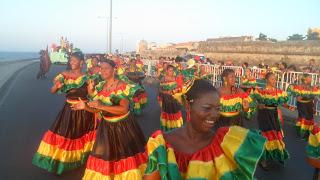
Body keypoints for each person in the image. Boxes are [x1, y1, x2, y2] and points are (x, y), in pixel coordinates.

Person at [144, 79, 266, 180]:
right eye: (207, 108)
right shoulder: (161, 145)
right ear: (188, 105)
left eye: (218, 108)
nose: (214, 115)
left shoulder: (224, 145)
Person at [72, 59, 147, 179]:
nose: (102, 71)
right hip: (106, 127)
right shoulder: (100, 86)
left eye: (106, 68)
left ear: (114, 70)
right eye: (101, 68)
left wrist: (101, 106)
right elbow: (98, 110)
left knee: (125, 159)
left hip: (123, 128)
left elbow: (123, 109)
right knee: (105, 158)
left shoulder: (122, 86)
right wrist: (85, 107)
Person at [32, 52, 96, 175]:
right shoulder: (64, 75)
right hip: (70, 110)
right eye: (70, 60)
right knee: (67, 135)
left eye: (74, 61)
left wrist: (92, 88)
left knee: (81, 135)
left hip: (84, 110)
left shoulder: (87, 77)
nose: (71, 63)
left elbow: (91, 94)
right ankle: (64, 162)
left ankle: (80, 159)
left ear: (81, 62)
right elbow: (52, 91)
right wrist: (57, 86)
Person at [250, 72, 292, 170]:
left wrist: (289, 107)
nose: (275, 81)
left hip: (274, 115)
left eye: (275, 79)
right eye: (273, 79)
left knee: (276, 136)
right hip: (264, 115)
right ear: (267, 80)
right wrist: (258, 105)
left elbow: (282, 103)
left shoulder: (278, 92)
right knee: (266, 137)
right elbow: (251, 101)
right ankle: (263, 161)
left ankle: (276, 155)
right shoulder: (260, 91)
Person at [287, 74, 320, 139]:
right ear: (305, 80)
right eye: (309, 78)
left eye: (311, 78)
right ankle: (303, 134)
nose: (311, 79)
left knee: (310, 118)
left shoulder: (312, 87)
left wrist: (314, 107)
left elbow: (314, 98)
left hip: (310, 104)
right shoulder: (299, 87)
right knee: (304, 118)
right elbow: (298, 98)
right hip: (302, 105)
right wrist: (304, 95)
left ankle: (308, 132)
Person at [158, 65, 184, 132]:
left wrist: (177, 90)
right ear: (166, 71)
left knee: (175, 112)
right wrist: (166, 92)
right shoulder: (163, 79)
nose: (171, 72)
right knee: (168, 112)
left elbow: (179, 87)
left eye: (172, 70)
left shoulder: (175, 78)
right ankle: (168, 129)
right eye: (170, 70)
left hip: (175, 99)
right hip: (166, 99)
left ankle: (176, 128)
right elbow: (160, 90)